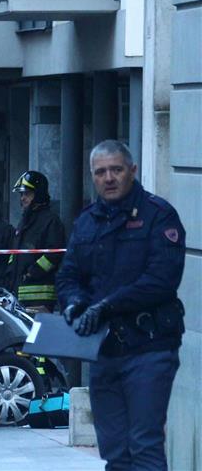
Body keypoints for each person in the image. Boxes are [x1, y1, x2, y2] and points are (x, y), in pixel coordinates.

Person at [56, 140, 185, 470]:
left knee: (144, 445)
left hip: (149, 346)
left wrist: (106, 306)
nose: (109, 178)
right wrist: (74, 304)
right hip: (103, 350)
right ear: (92, 177)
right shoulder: (87, 220)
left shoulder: (159, 215)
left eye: (116, 169)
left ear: (133, 171)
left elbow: (161, 280)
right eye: (101, 172)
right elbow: (69, 275)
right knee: (115, 450)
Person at [7, 170, 65, 312]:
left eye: (27, 194)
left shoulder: (51, 221)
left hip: (40, 296)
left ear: (38, 194)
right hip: (18, 293)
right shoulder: (24, 222)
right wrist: (9, 273)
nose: (22, 198)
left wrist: (32, 272)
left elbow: (54, 255)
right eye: (21, 194)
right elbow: (15, 252)